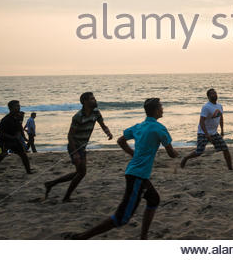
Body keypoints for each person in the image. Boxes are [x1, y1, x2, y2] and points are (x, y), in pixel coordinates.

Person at [71, 98, 179, 240]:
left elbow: (121, 141)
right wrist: (177, 154)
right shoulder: (159, 128)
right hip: (137, 177)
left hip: (135, 173)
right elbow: (171, 154)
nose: (163, 109)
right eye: (161, 107)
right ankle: (82, 237)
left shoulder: (139, 126)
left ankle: (143, 237)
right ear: (156, 110)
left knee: (154, 200)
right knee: (121, 218)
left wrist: (132, 153)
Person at [44, 92, 113, 202]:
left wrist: (108, 132)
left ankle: (51, 184)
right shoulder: (78, 117)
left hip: (82, 147)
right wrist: (75, 153)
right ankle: (65, 197)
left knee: (79, 173)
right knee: (81, 173)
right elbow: (70, 135)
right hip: (74, 147)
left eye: (94, 98)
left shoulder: (96, 112)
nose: (95, 100)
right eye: (91, 99)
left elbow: (102, 124)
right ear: (85, 102)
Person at [180, 88, 233, 170]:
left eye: (215, 93)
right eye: (212, 94)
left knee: (225, 149)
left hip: (214, 133)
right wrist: (207, 134)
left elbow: (221, 118)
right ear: (208, 96)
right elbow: (201, 122)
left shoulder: (219, 106)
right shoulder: (206, 107)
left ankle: (230, 168)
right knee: (199, 152)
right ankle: (185, 158)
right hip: (203, 133)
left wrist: (222, 130)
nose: (214, 95)